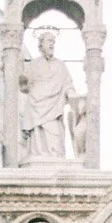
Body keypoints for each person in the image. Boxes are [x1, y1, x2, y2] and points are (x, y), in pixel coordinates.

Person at [21, 31, 75, 160]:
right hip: (36, 107)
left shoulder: (60, 66)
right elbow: (24, 86)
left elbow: (68, 84)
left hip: (54, 109)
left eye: (53, 42)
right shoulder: (34, 65)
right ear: (41, 45)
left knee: (55, 135)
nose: (52, 44)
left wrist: (72, 94)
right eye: (49, 41)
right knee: (38, 138)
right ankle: (37, 155)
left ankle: (55, 156)